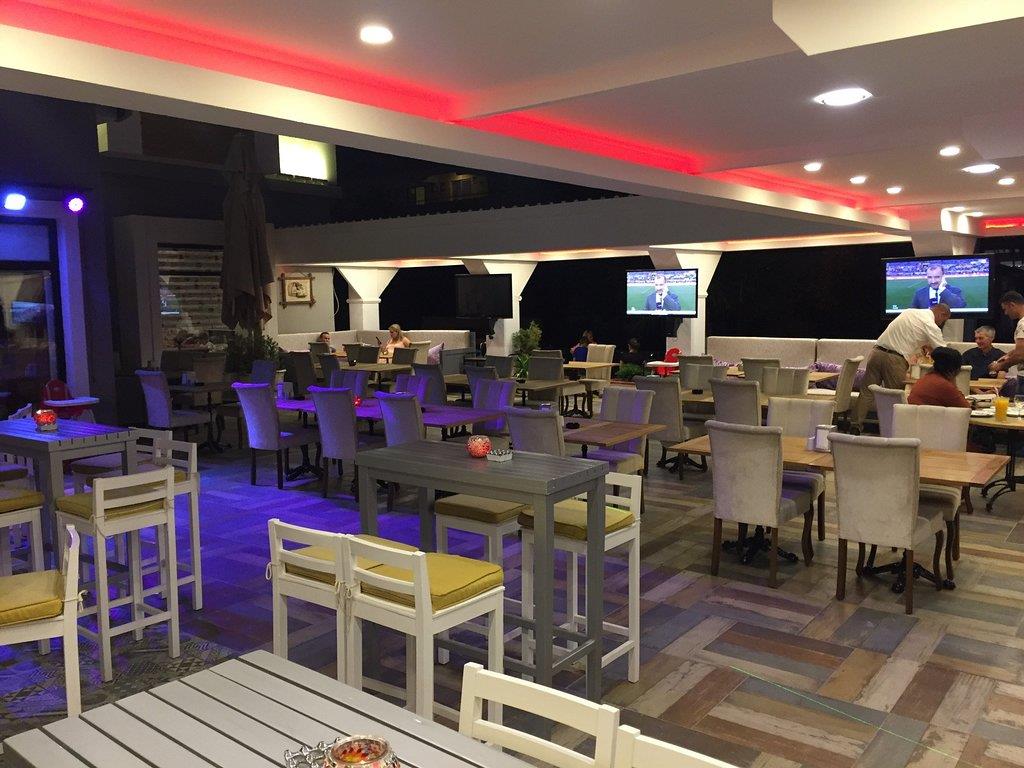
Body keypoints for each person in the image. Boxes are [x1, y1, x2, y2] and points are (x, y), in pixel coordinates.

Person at [855, 303, 951, 428]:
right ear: (942, 314)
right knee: (895, 397)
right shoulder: (931, 325)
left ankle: (854, 425)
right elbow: (944, 352)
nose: (941, 323)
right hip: (895, 359)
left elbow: (910, 336)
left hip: (876, 352)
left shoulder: (909, 312)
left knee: (866, 392)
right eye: (944, 320)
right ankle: (893, 430)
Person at [988, 291, 1024, 376]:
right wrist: (1008, 355)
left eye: (1005, 309)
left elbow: (1020, 355)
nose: (1005, 313)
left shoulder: (1022, 324)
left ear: (1012, 305)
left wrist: (999, 366)